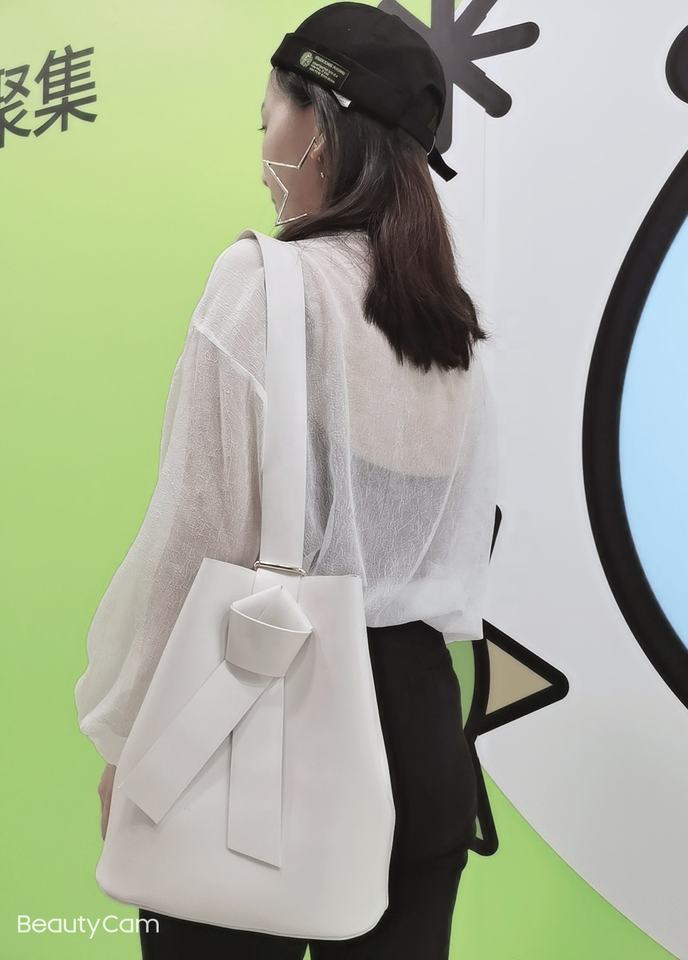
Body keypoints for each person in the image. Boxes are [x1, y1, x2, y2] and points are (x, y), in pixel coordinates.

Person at [75, 3, 499, 957]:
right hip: (423, 732)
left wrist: (132, 741)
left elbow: (195, 538)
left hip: (262, 718)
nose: (261, 146)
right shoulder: (448, 325)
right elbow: (445, 540)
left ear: (319, 130)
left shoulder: (264, 284)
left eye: (268, 115)